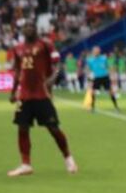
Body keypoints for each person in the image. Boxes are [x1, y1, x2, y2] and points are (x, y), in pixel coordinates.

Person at [6, 25, 77, 177]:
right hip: (24, 96)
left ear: (36, 30)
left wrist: (52, 78)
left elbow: (58, 64)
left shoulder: (46, 45)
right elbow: (18, 71)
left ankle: (68, 157)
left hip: (41, 95)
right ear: (22, 31)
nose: (28, 30)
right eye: (25, 28)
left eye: (31, 27)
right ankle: (25, 164)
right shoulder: (17, 49)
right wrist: (13, 92)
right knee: (22, 128)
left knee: (53, 128)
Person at [85, 45, 119, 111]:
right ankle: (92, 107)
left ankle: (116, 107)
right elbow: (89, 69)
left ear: (99, 51)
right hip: (96, 78)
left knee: (111, 91)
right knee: (93, 92)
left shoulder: (104, 58)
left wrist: (112, 74)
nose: (96, 52)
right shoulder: (90, 60)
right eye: (95, 51)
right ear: (93, 52)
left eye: (97, 51)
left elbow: (108, 67)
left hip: (105, 77)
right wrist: (89, 79)